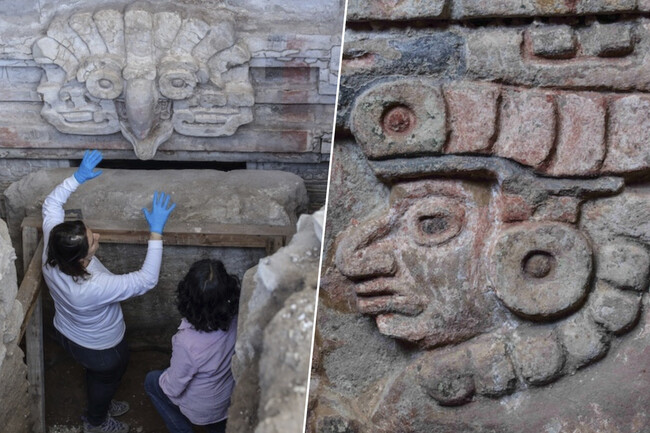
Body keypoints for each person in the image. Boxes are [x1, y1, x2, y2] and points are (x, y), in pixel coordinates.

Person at [42, 149, 176, 433]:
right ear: (82, 259)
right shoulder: (92, 287)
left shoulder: (53, 248)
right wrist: (156, 233)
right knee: (108, 375)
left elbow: (51, 203)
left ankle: (100, 400)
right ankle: (97, 420)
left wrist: (77, 178)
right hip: (101, 347)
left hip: (66, 330)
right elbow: (146, 280)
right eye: (93, 240)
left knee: (100, 376)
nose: (98, 236)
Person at [144, 259, 239, 433]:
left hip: (202, 409)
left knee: (152, 381)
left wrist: (167, 375)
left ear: (188, 296)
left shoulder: (186, 342)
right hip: (227, 398)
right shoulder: (237, 316)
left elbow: (173, 388)